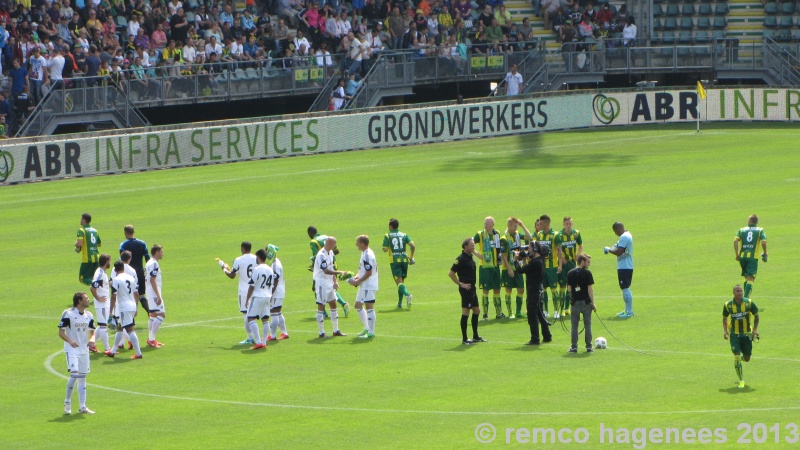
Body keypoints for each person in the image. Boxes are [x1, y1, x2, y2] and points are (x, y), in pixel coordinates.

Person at [58, 292, 96, 415]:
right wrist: (71, 341)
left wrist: (92, 339)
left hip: (84, 350)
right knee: (74, 375)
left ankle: (82, 407)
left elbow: (92, 332)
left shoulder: (89, 315)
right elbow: (61, 332)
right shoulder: (68, 314)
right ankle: (67, 402)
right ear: (79, 301)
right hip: (72, 349)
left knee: (82, 378)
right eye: (86, 298)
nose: (88, 300)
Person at [219, 241, 258, 345]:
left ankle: (250, 338)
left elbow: (232, 275)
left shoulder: (238, 260)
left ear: (242, 248)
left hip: (244, 291)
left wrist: (224, 269)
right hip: (255, 289)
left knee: (246, 314)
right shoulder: (256, 258)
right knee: (256, 315)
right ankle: (259, 338)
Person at [449, 237, 487, 345]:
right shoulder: (460, 259)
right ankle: (465, 339)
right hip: (466, 290)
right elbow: (451, 273)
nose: (473, 246)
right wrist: (461, 284)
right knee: (466, 313)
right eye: (471, 245)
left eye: (474, 245)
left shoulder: (470, 257)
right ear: (465, 247)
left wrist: (474, 251)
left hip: (472, 289)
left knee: (477, 311)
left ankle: (475, 336)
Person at [516, 242, 553, 345]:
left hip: (533, 292)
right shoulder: (538, 260)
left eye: (530, 248)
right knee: (540, 314)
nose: (528, 250)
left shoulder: (535, 262)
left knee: (532, 315)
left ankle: (535, 338)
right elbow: (527, 270)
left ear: (535, 249)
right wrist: (524, 259)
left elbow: (521, 270)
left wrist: (515, 260)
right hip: (538, 290)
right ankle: (547, 336)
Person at [307, 226, 350, 316]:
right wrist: (329, 257)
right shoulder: (326, 237)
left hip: (323, 270)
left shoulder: (313, 242)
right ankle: (343, 304)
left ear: (310, 234)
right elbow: (337, 251)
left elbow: (316, 256)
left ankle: (323, 312)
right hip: (333, 265)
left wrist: (318, 262)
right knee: (330, 287)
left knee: (316, 288)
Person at [723, 284, 759, 388]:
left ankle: (742, 359)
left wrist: (755, 330)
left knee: (747, 358)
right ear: (733, 293)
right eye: (738, 291)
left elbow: (757, 315)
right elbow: (725, 318)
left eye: (741, 291)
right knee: (737, 356)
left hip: (747, 334)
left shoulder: (749, 303)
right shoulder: (728, 305)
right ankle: (741, 380)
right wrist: (725, 331)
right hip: (734, 335)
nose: (740, 293)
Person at [107, 261, 144, 359]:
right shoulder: (131, 278)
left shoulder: (116, 280)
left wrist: (110, 311)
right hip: (131, 305)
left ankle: (139, 353)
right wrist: (136, 307)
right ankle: (113, 351)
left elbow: (113, 296)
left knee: (130, 330)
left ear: (115, 270)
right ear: (123, 268)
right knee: (120, 327)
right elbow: (136, 294)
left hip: (124, 307)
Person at [314, 236, 349, 338]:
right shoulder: (321, 255)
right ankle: (321, 332)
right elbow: (325, 270)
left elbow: (331, 267)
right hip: (321, 283)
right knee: (321, 306)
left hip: (329, 283)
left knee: (333, 304)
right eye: (334, 245)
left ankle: (335, 330)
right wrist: (340, 272)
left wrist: (335, 280)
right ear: (329, 244)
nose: (335, 246)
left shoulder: (331, 253)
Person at [499, 217, 533, 318]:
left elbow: (529, 237)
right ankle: (510, 313)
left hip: (517, 267)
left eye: (517, 226)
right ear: (509, 226)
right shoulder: (504, 239)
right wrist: (509, 269)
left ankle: (518, 311)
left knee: (521, 289)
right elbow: (504, 255)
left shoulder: (517, 234)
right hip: (508, 268)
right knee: (508, 290)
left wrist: (522, 226)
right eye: (514, 226)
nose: (516, 228)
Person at [348, 235, 379, 338]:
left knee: (369, 307)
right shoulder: (364, 253)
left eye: (357, 242)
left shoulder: (367, 255)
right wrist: (356, 277)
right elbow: (363, 270)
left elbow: (369, 272)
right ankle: (366, 328)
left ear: (362, 243)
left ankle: (371, 332)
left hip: (368, 285)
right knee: (357, 305)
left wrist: (358, 281)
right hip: (364, 284)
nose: (356, 244)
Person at [382, 218, 416, 309]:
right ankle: (400, 303)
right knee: (401, 283)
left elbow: (385, 249)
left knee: (399, 283)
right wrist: (411, 257)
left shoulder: (387, 235)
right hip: (404, 260)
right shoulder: (404, 235)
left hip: (395, 261)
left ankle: (408, 295)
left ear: (390, 226)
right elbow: (412, 245)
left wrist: (387, 247)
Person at [474, 216, 503, 320]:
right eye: (485, 223)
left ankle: (499, 313)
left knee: (497, 289)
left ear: (492, 225)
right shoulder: (480, 234)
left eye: (487, 223)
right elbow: (470, 243)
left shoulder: (497, 234)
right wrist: (478, 255)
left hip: (495, 266)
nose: (485, 225)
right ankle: (485, 314)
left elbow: (498, 248)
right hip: (485, 267)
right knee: (485, 290)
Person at [245, 248, 275, 349]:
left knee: (251, 318)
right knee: (265, 319)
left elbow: (252, 286)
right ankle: (264, 343)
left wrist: (247, 299)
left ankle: (258, 342)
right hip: (267, 296)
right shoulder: (270, 269)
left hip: (257, 296)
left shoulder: (257, 269)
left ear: (258, 257)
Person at [734, 214, 767, 300]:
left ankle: (743, 298)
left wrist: (737, 254)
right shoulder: (760, 230)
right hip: (752, 257)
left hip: (742, 257)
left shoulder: (741, 230)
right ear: (757, 222)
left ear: (749, 221)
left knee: (746, 278)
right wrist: (765, 252)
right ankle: (745, 300)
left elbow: (735, 240)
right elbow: (763, 242)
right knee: (751, 279)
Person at [567, 254, 596, 353]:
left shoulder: (570, 273)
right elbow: (590, 289)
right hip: (586, 303)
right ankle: (589, 347)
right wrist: (593, 303)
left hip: (575, 303)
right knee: (587, 324)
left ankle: (574, 347)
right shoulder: (587, 273)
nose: (589, 264)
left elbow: (569, 289)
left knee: (574, 325)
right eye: (587, 261)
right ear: (582, 262)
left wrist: (573, 296)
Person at [604, 222, 634, 318]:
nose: (615, 233)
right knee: (624, 287)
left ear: (618, 229)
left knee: (625, 287)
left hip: (625, 266)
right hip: (626, 265)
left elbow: (618, 252)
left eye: (615, 231)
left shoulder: (624, 237)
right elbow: (617, 247)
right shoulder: (627, 235)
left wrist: (608, 250)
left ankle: (629, 312)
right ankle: (626, 310)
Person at [535, 214, 562, 318]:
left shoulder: (555, 235)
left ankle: (556, 311)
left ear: (546, 223)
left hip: (552, 267)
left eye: (541, 223)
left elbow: (559, 251)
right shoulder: (539, 235)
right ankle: (545, 310)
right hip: (542, 267)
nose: (539, 225)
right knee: (543, 289)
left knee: (554, 289)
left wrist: (559, 265)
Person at [120, 225, 150, 314]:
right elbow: (147, 259)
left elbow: (122, 260)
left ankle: (130, 318)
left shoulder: (123, 244)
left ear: (125, 233)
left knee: (129, 295)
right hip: (140, 272)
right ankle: (150, 313)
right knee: (141, 295)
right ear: (133, 232)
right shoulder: (142, 243)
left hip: (128, 273)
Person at [556, 216, 583, 316]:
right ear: (563, 224)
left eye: (570, 223)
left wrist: (578, 255)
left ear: (572, 224)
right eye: (566, 224)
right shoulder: (559, 235)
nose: (568, 226)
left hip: (572, 263)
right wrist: (561, 259)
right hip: (563, 264)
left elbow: (580, 245)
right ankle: (561, 308)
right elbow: (556, 249)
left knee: (570, 285)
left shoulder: (576, 233)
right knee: (562, 285)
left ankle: (567, 308)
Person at [265, 244, 289, 341]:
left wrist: (270, 293)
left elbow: (275, 280)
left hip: (276, 291)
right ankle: (284, 333)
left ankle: (273, 335)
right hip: (280, 291)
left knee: (274, 313)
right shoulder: (275, 262)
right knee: (278, 313)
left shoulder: (275, 264)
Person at [89, 254, 112, 353]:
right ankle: (107, 349)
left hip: (105, 303)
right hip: (101, 304)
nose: (110, 263)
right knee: (103, 326)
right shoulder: (99, 273)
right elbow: (92, 287)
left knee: (103, 324)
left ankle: (91, 344)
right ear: (106, 261)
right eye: (109, 261)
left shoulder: (103, 272)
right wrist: (98, 298)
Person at [145, 244, 165, 348]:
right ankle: (151, 339)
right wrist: (158, 295)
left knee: (153, 315)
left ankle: (151, 339)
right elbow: (152, 280)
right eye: (161, 251)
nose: (163, 253)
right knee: (161, 315)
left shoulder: (149, 262)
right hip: (153, 292)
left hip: (149, 291)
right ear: (156, 252)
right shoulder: (154, 264)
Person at [75, 213, 102, 286]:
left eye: (81, 219)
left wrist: (76, 244)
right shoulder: (95, 230)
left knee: (83, 278)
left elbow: (79, 244)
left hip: (87, 258)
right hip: (96, 258)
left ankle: (99, 286)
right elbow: (99, 244)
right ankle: (99, 288)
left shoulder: (82, 230)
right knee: (93, 278)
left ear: (84, 220)